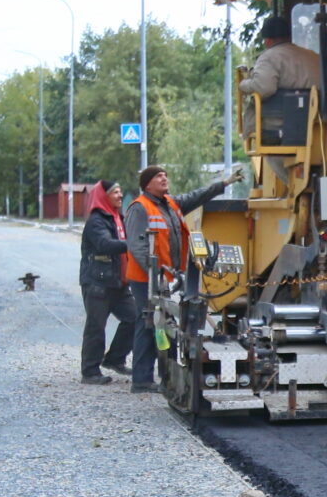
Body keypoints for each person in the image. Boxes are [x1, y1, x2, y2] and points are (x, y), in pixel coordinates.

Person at [125, 163, 239, 394]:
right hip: (147, 278)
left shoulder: (170, 204)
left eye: (165, 175)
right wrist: (154, 274)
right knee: (148, 323)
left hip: (168, 276)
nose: (164, 179)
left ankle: (165, 374)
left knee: (167, 325)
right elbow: (136, 245)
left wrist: (224, 184)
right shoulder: (140, 208)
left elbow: (197, 196)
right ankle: (141, 379)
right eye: (159, 176)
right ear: (147, 184)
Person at [79, 179, 136, 384]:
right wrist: (133, 245)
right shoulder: (96, 220)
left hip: (118, 283)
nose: (120, 196)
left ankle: (114, 359)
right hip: (98, 283)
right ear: (104, 196)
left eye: (120, 192)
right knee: (96, 326)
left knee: (135, 318)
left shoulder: (117, 217)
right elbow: (104, 244)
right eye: (115, 193)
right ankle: (90, 372)